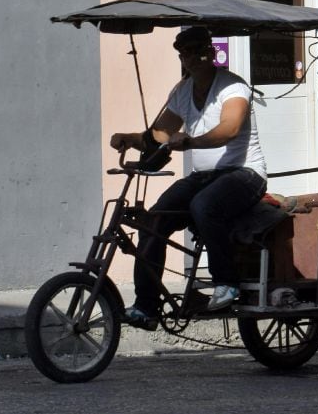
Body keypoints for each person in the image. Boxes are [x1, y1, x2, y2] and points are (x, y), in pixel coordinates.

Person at [110, 26, 267, 330]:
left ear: (212, 53)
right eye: (187, 53)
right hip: (204, 176)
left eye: (200, 51)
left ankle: (227, 284)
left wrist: (192, 141)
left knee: (204, 205)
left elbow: (230, 128)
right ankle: (146, 307)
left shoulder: (232, 87)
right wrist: (130, 138)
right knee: (154, 220)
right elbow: (160, 134)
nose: (194, 58)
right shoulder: (182, 91)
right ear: (181, 57)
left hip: (245, 174)